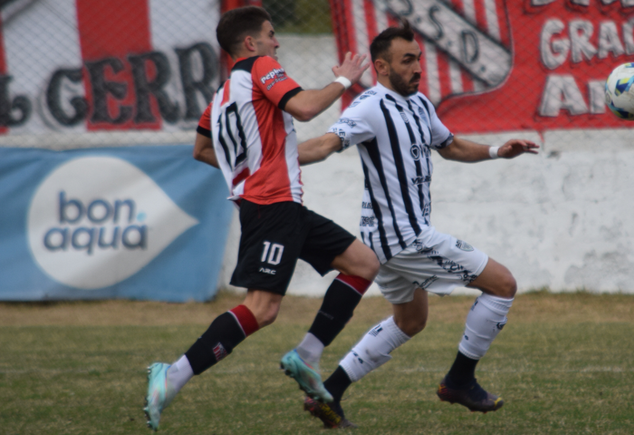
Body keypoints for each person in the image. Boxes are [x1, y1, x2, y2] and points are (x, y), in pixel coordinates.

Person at [143, 6, 379, 431]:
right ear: (250, 44)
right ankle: (173, 374)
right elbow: (305, 108)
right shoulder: (260, 68)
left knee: (363, 263)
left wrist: (253, 166)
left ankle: (307, 354)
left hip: (281, 204)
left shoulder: (220, 97)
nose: (277, 42)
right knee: (263, 308)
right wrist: (344, 79)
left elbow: (199, 150)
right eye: (272, 34)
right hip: (272, 206)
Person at [295, 20, 539, 428]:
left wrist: (499, 150)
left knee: (410, 321)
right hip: (404, 237)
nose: (417, 68)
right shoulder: (370, 106)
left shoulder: (421, 104)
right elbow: (324, 144)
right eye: (407, 60)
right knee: (503, 285)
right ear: (382, 67)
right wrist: (267, 160)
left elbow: (451, 146)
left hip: (384, 239)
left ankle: (329, 392)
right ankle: (459, 381)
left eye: (418, 59)